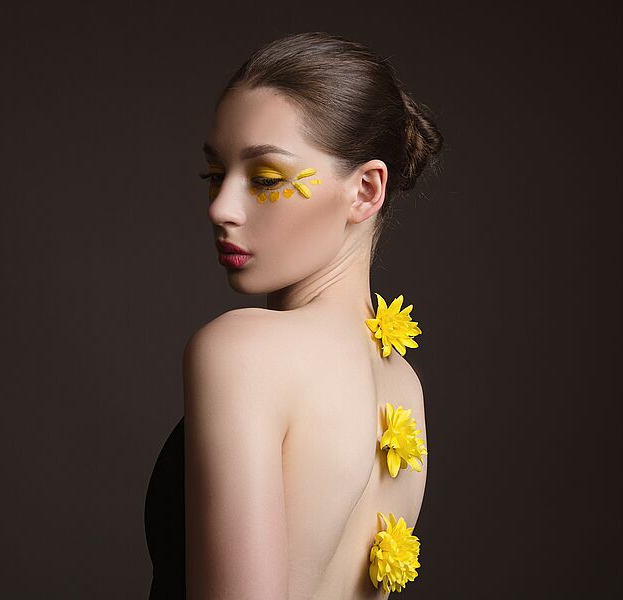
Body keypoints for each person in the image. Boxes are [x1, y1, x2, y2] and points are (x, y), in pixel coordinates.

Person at [145, 31, 443, 600]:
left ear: (365, 191)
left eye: (264, 179)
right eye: (215, 174)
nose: (220, 207)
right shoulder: (403, 387)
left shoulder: (244, 350)